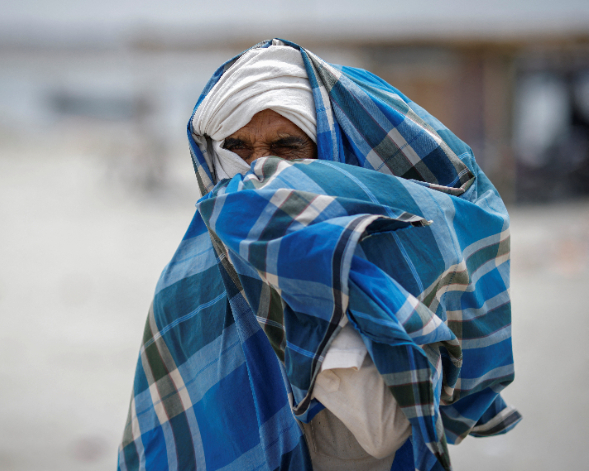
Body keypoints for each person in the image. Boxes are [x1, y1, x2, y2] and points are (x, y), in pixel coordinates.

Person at [118, 39, 521, 471]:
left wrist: (313, 274)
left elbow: (384, 431)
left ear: (330, 149)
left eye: (287, 148)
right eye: (238, 149)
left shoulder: (387, 252)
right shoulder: (187, 278)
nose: (261, 171)